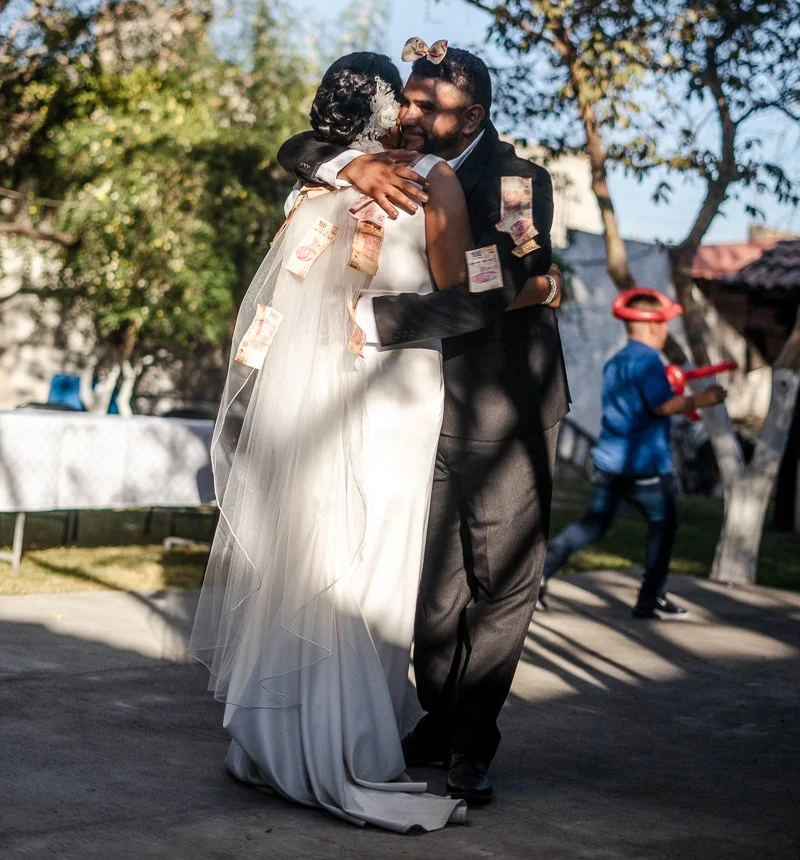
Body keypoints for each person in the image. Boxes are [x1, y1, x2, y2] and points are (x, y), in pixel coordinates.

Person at [189, 52, 556, 832]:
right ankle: (405, 717)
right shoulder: (360, 161)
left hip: (495, 404)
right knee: (426, 584)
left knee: (497, 570)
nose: (419, 114)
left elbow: (512, 277)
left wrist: (383, 320)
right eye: (412, 99)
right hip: (389, 394)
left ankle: (469, 740)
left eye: (437, 105)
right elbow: (304, 144)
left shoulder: (518, 181)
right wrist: (352, 162)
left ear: (477, 117)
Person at [540, 290, 727, 619]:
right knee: (663, 527)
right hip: (646, 467)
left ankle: (539, 574)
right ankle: (650, 599)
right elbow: (663, 405)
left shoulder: (618, 361)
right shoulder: (650, 361)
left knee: (593, 525)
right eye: (665, 323)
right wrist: (704, 399)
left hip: (610, 461)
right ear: (654, 326)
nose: (667, 330)